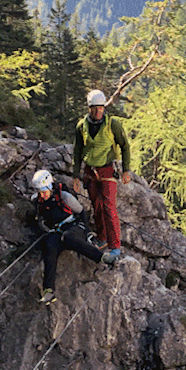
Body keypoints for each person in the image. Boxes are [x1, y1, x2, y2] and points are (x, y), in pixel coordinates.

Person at [32, 169, 118, 304]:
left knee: (69, 238)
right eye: (39, 192)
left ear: (49, 187)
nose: (42, 195)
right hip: (57, 230)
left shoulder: (64, 197)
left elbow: (81, 212)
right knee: (49, 244)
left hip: (74, 225)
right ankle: (48, 290)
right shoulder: (38, 201)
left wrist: (88, 233)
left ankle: (101, 257)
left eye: (44, 191)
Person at [72, 89, 131, 259]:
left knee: (109, 208)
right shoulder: (81, 126)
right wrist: (75, 175)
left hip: (107, 170)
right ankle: (102, 238)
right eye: (95, 108)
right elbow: (77, 150)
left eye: (101, 108)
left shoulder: (113, 124)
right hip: (90, 172)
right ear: (89, 108)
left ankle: (115, 246)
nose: (98, 111)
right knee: (96, 206)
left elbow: (125, 146)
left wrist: (126, 170)